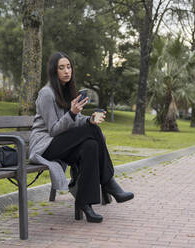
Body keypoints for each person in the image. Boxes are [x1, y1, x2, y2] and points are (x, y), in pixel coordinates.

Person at [29, 51, 134, 223]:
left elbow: (76, 120)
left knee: (90, 146)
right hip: (45, 146)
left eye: (68, 67)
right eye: (61, 68)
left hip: (62, 143)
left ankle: (86, 205)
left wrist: (89, 119)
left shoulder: (67, 91)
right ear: (54, 71)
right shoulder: (46, 93)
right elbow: (54, 130)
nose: (66, 71)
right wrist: (72, 113)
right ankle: (108, 182)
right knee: (92, 132)